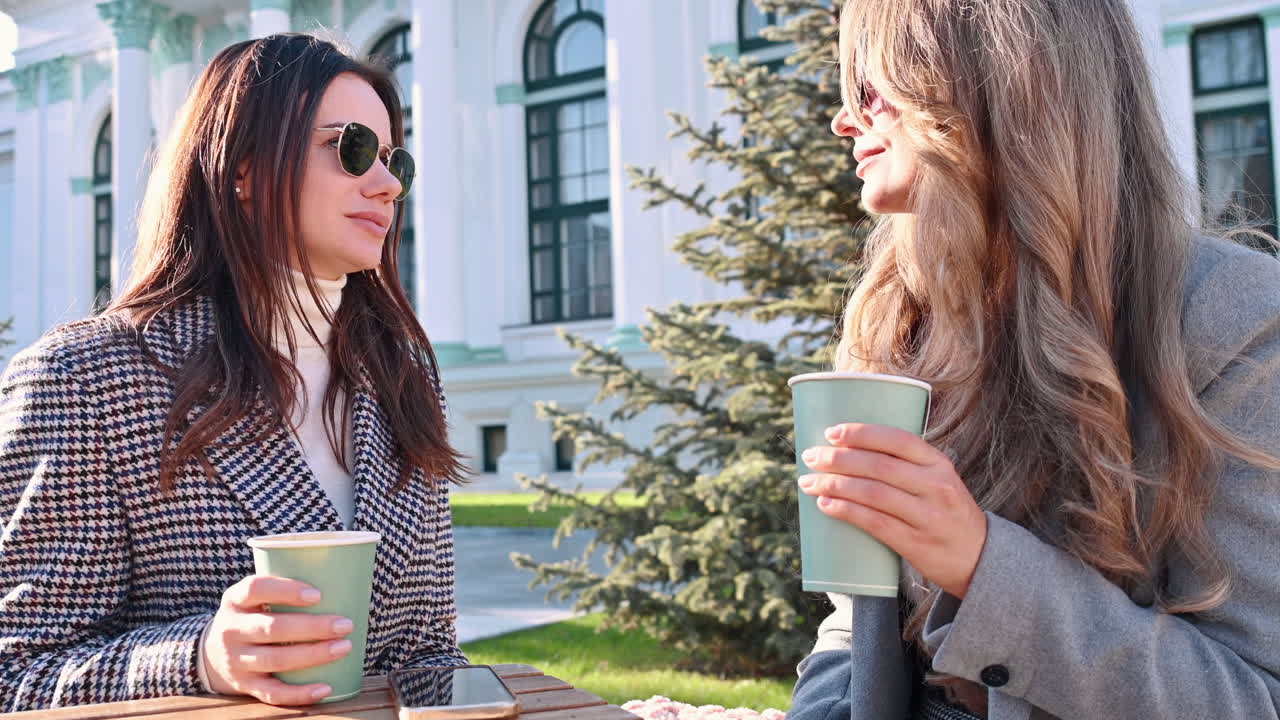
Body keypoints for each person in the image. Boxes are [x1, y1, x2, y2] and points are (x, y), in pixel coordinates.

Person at [789, 1, 1280, 719]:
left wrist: (982, 566)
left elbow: (1254, 698)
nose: (845, 120)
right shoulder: (892, 327)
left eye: (871, 88)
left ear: (983, 85)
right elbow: (852, 626)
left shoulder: (1230, 321)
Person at [0, 34, 468, 712]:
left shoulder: (402, 377)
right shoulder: (82, 381)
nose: (389, 183)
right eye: (353, 148)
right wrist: (201, 661)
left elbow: (427, 654)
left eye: (398, 161)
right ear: (243, 167)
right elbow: (15, 673)